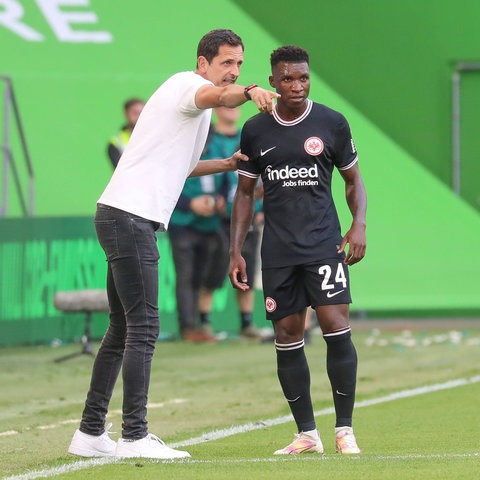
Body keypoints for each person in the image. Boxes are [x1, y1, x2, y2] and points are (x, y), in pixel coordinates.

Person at [67, 28, 280, 461]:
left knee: (122, 329)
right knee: (144, 326)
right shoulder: (186, 85)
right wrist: (252, 89)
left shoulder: (196, 112)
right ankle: (134, 435)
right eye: (226, 63)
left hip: (120, 215)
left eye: (239, 64)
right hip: (128, 218)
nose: (233, 71)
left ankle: (90, 433)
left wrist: (225, 162)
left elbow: (179, 166)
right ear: (203, 63)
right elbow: (219, 98)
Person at [229, 45, 367, 456]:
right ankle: (307, 433)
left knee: (334, 325)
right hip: (278, 251)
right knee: (288, 336)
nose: (296, 85)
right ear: (272, 81)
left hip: (324, 245)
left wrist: (357, 224)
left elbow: (353, 180)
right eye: (287, 78)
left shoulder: (331, 123)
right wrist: (236, 250)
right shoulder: (256, 129)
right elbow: (244, 192)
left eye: (303, 77)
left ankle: (345, 430)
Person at [196, 106, 264, 340]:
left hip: (250, 219)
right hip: (221, 219)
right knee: (214, 272)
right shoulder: (210, 141)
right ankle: (203, 322)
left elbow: (263, 182)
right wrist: (214, 201)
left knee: (248, 270)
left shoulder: (253, 142)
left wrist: (262, 209)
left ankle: (246, 323)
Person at [106, 98, 144, 168]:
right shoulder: (115, 143)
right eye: (135, 113)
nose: (139, 116)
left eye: (142, 113)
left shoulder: (156, 136)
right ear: (126, 114)